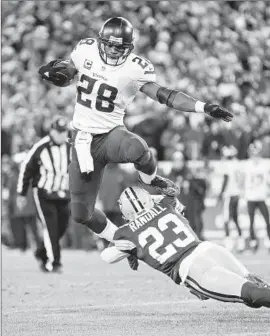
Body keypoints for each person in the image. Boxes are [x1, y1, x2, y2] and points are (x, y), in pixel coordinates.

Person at [38, 17, 233, 247]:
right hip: (82, 140)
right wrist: (56, 73)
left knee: (138, 147)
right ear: (101, 40)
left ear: (128, 47)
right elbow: (69, 72)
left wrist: (203, 107)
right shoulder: (85, 49)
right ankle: (123, 242)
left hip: (110, 134)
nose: (111, 50)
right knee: (81, 213)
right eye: (108, 44)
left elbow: (164, 95)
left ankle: (150, 178)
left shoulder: (135, 68)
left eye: (118, 46)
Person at [101, 186, 270, 309]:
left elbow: (106, 257)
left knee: (251, 294)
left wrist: (125, 250)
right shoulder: (166, 205)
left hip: (192, 268)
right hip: (210, 249)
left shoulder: (126, 232)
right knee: (256, 284)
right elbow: (171, 192)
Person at [16, 116, 71, 272]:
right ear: (52, 131)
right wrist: (21, 193)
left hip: (64, 194)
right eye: (59, 132)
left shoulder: (70, 147)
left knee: (62, 227)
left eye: (64, 132)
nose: (61, 135)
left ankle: (41, 251)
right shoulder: (41, 147)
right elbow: (26, 170)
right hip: (44, 194)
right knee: (51, 228)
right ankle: (55, 263)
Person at [218, 146, 245, 252]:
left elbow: (226, 178)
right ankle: (240, 242)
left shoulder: (227, 164)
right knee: (235, 218)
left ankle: (228, 243)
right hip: (236, 193)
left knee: (226, 218)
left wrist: (221, 193)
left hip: (229, 194)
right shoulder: (238, 163)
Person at [245, 141, 270, 252]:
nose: (255, 156)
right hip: (251, 197)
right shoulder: (247, 165)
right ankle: (253, 242)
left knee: (267, 220)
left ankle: (268, 241)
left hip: (260, 197)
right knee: (251, 221)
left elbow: (267, 180)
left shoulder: (264, 165)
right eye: (253, 154)